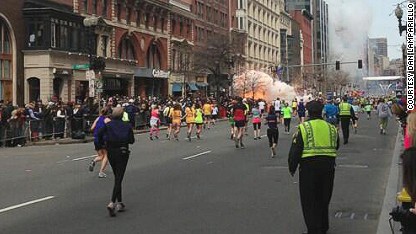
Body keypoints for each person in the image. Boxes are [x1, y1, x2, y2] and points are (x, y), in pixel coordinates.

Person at [288, 100, 340, 234]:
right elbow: (337, 144)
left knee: (309, 199)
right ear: (322, 112)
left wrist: (292, 167)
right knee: (324, 197)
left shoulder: (303, 128)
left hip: (308, 168)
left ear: (308, 112)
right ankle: (323, 227)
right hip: (328, 167)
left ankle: (313, 228)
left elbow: (296, 149)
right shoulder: (331, 128)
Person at [97, 107, 135, 217]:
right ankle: (112, 202)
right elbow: (132, 141)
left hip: (111, 152)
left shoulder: (109, 125)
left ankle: (120, 202)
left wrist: (102, 144)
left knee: (117, 176)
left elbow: (99, 134)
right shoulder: (127, 125)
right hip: (122, 151)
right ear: (122, 115)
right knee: (119, 177)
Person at [89, 108, 111, 178]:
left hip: (96, 139)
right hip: (104, 139)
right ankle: (101, 172)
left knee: (101, 156)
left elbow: (92, 128)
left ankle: (94, 161)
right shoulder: (107, 120)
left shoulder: (98, 118)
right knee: (106, 155)